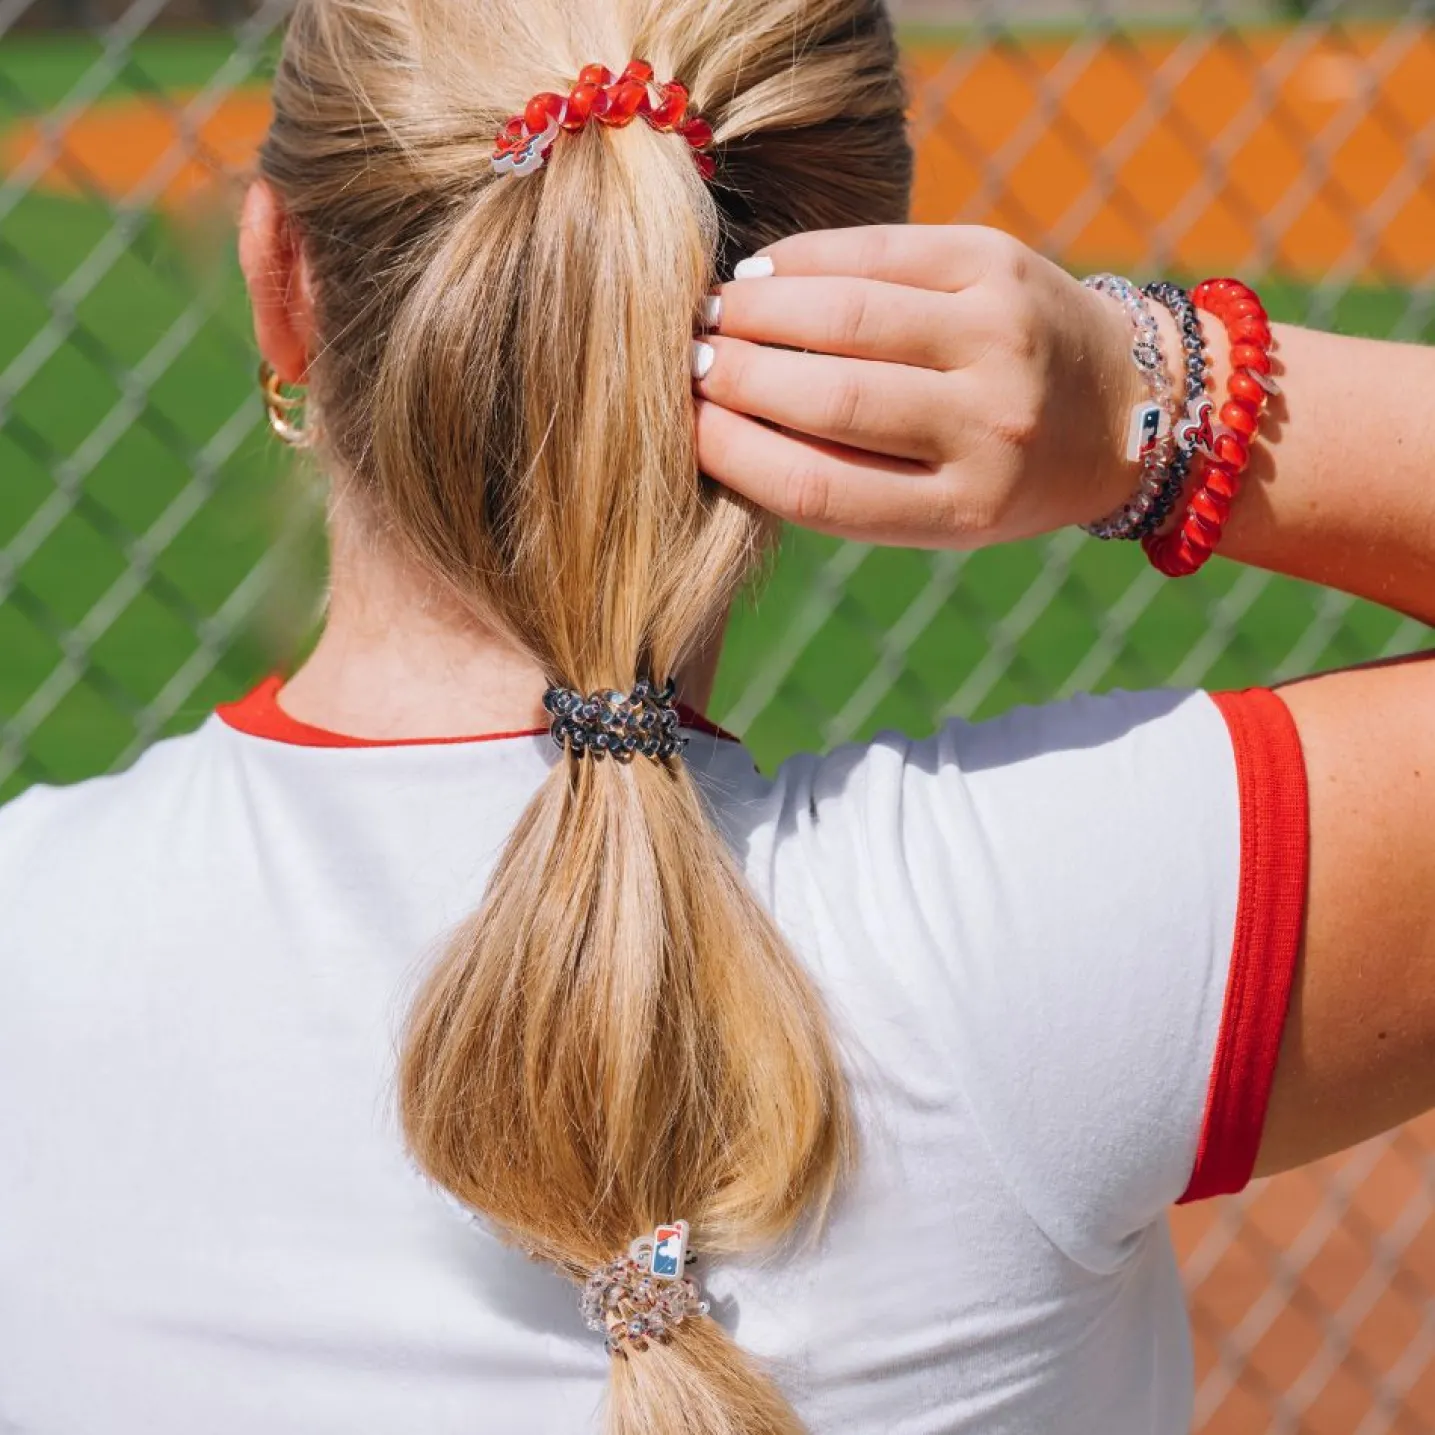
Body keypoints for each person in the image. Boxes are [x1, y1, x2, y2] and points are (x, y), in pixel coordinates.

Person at [0, 0, 1431, 1432]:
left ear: (282, 282)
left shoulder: (30, 940)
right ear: (853, 284)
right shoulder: (1048, 923)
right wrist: (1157, 395)